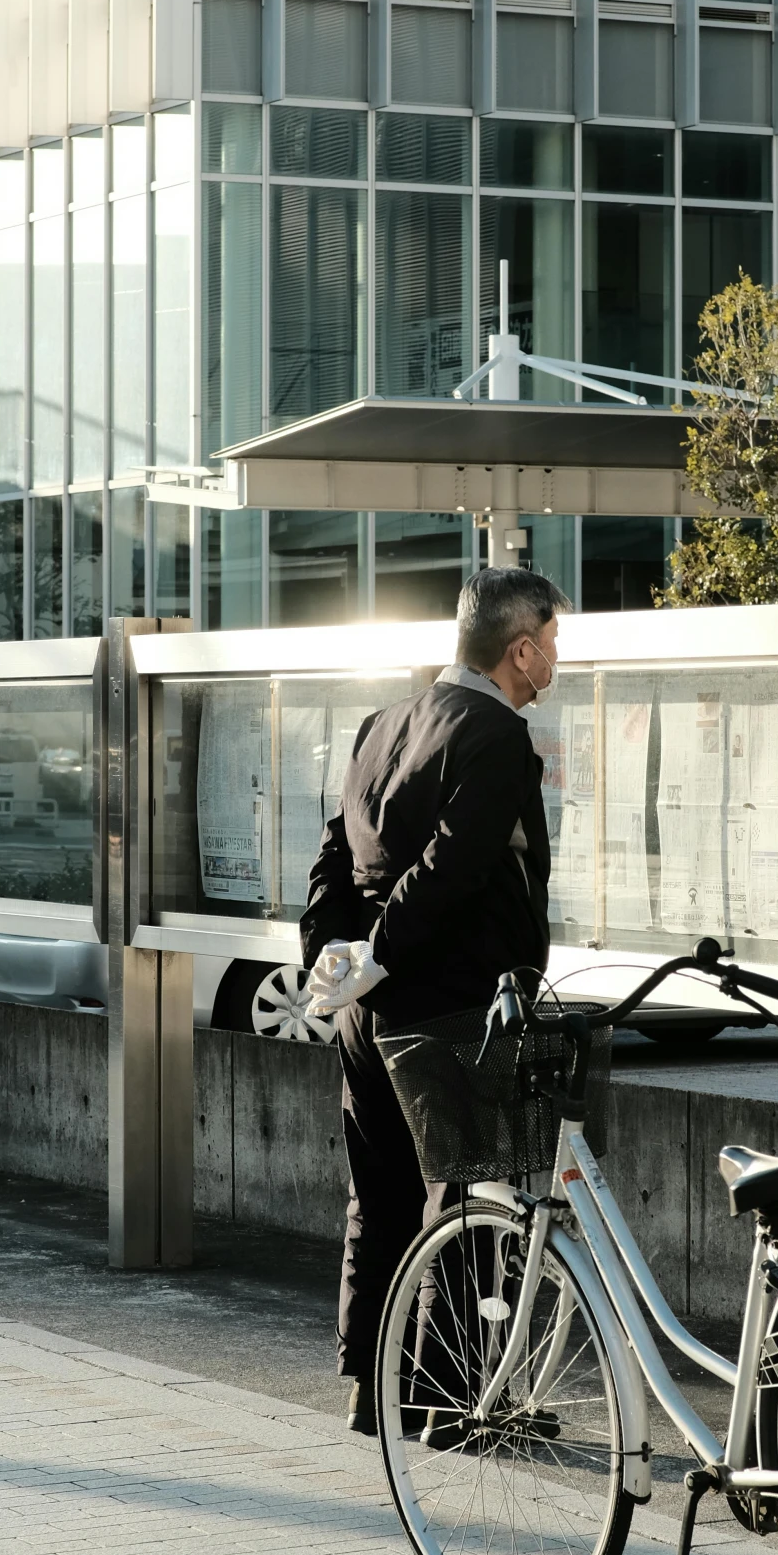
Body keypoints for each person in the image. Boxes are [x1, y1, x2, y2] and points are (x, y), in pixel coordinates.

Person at [300, 566, 566, 1434]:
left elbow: (333, 860)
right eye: (551, 640)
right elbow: (454, 867)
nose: (555, 656)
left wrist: (339, 961)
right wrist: (377, 952)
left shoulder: (382, 725)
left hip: (364, 1012)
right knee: (463, 1202)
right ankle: (443, 1400)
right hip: (452, 1005)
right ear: (520, 649)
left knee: (376, 1194)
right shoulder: (494, 735)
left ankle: (368, 1388)